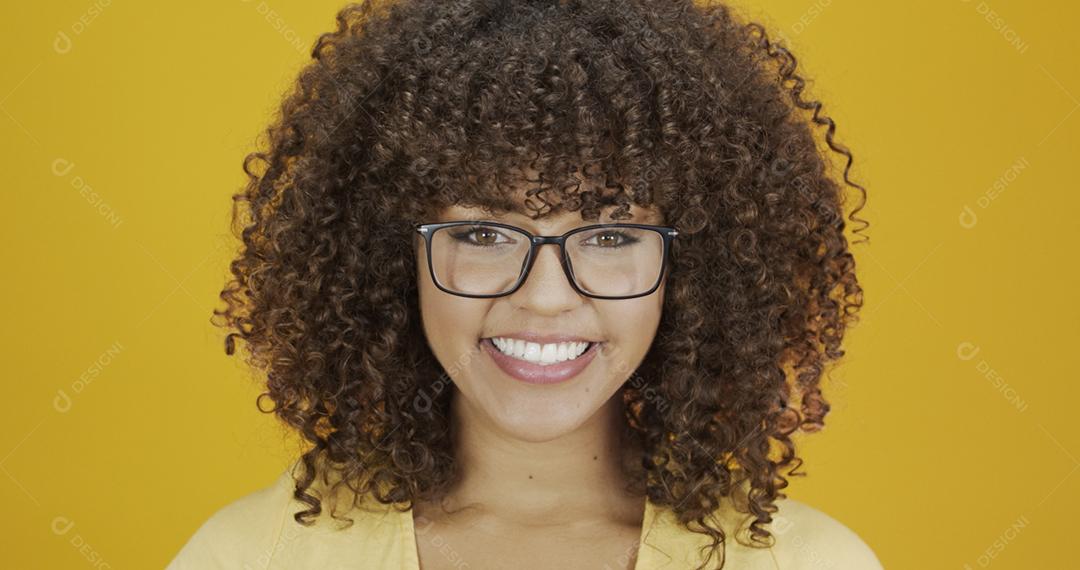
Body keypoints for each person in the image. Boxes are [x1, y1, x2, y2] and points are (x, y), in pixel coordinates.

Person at [169, 0, 881, 568]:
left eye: (609, 236)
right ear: (394, 256)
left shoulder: (809, 563)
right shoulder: (249, 557)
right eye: (483, 234)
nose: (544, 297)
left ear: (691, 269)